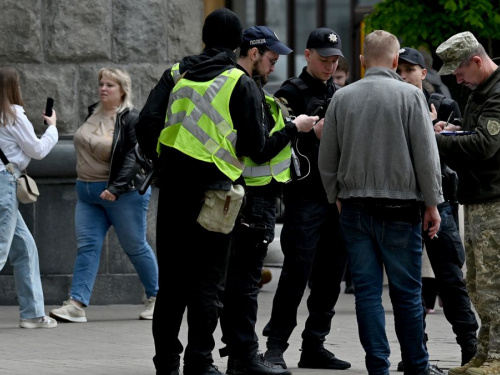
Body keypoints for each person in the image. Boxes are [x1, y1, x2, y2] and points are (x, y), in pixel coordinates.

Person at [139, 9, 271, 375]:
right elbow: (255, 146)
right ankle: (199, 360)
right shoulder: (238, 82)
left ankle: (166, 363)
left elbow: (147, 123)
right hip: (216, 196)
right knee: (207, 283)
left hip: (174, 193)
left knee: (172, 285)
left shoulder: (180, 77)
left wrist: (162, 161)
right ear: (238, 45)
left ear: (203, 37)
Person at [318, 30, 443, 375]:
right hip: (402, 208)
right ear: (393, 61)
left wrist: (335, 196)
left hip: (354, 207)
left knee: (368, 294)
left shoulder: (342, 98)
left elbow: (327, 159)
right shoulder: (410, 96)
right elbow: (426, 156)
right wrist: (432, 204)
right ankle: (417, 365)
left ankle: (377, 366)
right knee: (406, 294)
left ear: (360, 61)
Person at [219, 26, 317, 375]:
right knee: (244, 284)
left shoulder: (240, 84)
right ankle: (245, 358)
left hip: (246, 197)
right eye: (271, 58)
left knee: (236, 283)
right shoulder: (244, 86)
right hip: (253, 199)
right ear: (254, 52)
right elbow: (258, 150)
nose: (275, 64)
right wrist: (296, 128)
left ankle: (239, 354)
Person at [262, 27, 350, 371]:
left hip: (336, 198)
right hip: (304, 197)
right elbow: (274, 144)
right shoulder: (289, 94)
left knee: (331, 275)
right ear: (308, 55)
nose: (330, 66)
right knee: (296, 273)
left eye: (335, 60)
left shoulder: (341, 94)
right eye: (325, 59)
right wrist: (310, 134)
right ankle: (275, 346)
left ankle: (315, 343)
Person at [50, 68, 158, 323]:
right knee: (87, 247)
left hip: (122, 195)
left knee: (135, 246)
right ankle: (76, 304)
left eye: (110, 85)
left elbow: (134, 156)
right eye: (101, 83)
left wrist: (116, 187)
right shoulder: (92, 113)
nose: (103, 88)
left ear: (123, 91)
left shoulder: (131, 118)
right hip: (87, 193)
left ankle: (157, 298)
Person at [396, 46, 478, 370]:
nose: (403, 75)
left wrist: (435, 131)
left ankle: (470, 349)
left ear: (422, 73)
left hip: (440, 201)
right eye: (398, 69)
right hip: (402, 202)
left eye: (408, 70)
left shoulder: (443, 104)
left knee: (451, 279)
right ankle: (416, 355)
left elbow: (460, 154)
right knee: (409, 285)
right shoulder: (392, 104)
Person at [433, 31, 500, 375]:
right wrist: (454, 130)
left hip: (494, 201)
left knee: (493, 284)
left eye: (458, 72)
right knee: (476, 282)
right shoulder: (481, 89)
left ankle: (496, 358)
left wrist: (439, 140)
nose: (456, 80)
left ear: (476, 60)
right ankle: (484, 354)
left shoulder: (497, 92)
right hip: (478, 197)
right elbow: (475, 135)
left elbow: (485, 146)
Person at [0, 67, 58, 329]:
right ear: (13, 87)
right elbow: (37, 150)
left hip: (5, 183)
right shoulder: (12, 115)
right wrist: (52, 129)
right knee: (1, 249)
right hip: (5, 184)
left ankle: (33, 314)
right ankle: (33, 314)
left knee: (24, 248)